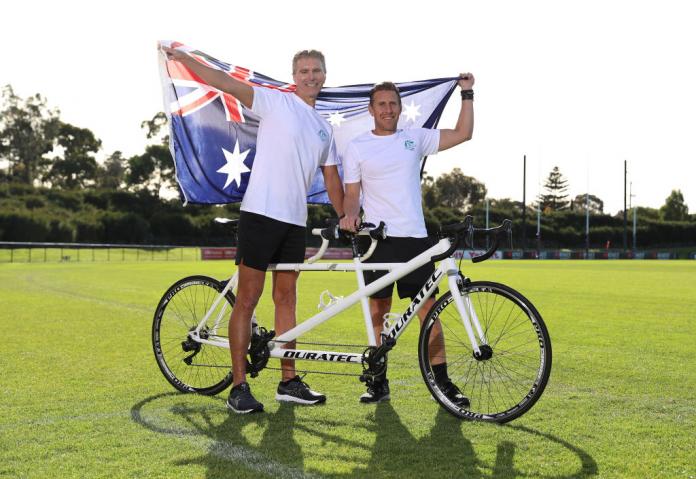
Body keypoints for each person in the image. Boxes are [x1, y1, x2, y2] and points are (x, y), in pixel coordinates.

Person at [162, 45, 344, 413]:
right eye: (304, 70)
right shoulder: (276, 102)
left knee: (287, 300)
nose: (311, 76)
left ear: (325, 75)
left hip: (295, 221)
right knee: (248, 298)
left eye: (317, 70)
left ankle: (288, 381)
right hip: (260, 214)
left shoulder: (325, 129)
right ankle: (239, 387)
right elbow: (224, 82)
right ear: (295, 76)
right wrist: (185, 59)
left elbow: (331, 177)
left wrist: (349, 217)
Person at [339, 76, 475, 404]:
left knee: (429, 312)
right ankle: (377, 380)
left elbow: (463, 133)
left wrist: (467, 94)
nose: (388, 109)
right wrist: (348, 215)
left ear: (400, 108)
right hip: (378, 241)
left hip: (416, 239)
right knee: (379, 311)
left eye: (393, 104)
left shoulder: (414, 138)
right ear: (371, 109)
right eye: (381, 104)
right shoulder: (357, 146)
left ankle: (443, 383)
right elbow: (352, 194)